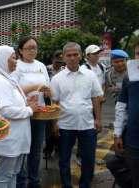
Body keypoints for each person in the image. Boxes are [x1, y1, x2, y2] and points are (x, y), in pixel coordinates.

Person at [50, 42, 103, 188]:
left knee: (88, 159)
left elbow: (96, 98)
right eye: (69, 55)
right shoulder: (57, 79)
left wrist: (98, 119)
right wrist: (54, 124)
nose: (72, 58)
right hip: (65, 125)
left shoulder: (90, 75)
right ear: (64, 57)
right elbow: (54, 103)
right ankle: (66, 185)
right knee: (64, 159)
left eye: (75, 54)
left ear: (80, 55)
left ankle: (85, 184)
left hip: (87, 124)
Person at [0, 45, 38, 188]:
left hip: (16, 138)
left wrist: (26, 103)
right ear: (3, 60)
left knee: (13, 173)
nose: (16, 61)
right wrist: (29, 110)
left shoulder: (9, 79)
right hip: (9, 140)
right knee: (4, 176)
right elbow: (5, 110)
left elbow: (11, 104)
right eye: (13, 58)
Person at [13, 36, 51, 188]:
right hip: (23, 112)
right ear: (21, 50)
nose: (32, 50)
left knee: (36, 148)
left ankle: (34, 180)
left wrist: (47, 91)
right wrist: (36, 86)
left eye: (34, 47)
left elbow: (46, 85)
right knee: (23, 148)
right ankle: (21, 181)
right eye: (28, 48)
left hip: (40, 112)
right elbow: (14, 89)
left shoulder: (41, 65)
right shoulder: (16, 66)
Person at [108, 43, 139, 188]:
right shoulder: (129, 78)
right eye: (138, 53)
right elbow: (121, 107)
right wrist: (117, 134)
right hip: (133, 140)